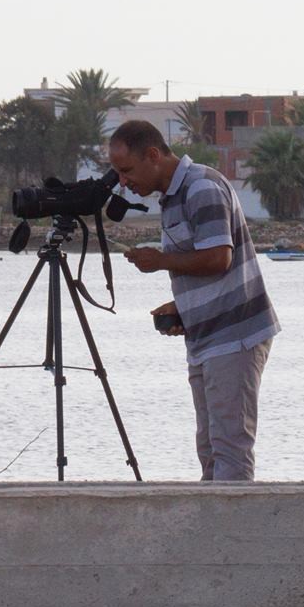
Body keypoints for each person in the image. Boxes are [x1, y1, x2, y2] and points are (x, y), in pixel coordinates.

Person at [109, 120, 279, 481]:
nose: (123, 182)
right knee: (210, 449)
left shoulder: (200, 186)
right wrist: (182, 307)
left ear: (153, 156)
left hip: (235, 336)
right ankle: (215, 529)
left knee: (229, 449)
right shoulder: (172, 197)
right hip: (207, 337)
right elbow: (205, 263)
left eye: (126, 171)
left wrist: (159, 261)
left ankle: (232, 530)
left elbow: (219, 257)